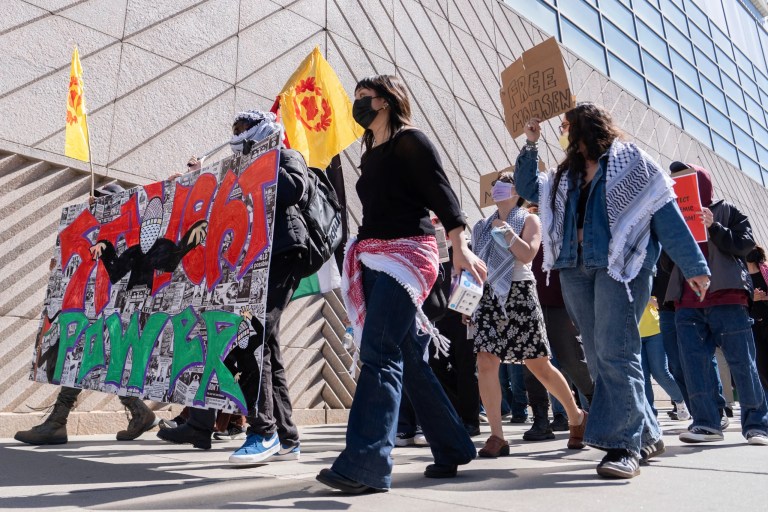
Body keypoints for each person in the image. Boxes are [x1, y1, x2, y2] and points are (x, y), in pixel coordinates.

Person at [517, 104, 710, 479]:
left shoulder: (631, 163)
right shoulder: (565, 175)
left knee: (615, 351)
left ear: (585, 127)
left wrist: (694, 267)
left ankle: (623, 446)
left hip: (620, 266)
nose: (562, 132)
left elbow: (663, 212)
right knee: (599, 352)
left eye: (566, 126)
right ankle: (649, 434)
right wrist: (530, 143)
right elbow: (528, 188)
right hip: (573, 268)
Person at [316, 74, 486, 494]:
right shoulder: (370, 151)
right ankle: (453, 446)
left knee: (379, 349)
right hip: (373, 256)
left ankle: (365, 464)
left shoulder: (412, 140)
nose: (358, 106)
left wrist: (460, 244)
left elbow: (443, 195)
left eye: (364, 98)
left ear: (387, 101)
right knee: (407, 356)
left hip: (408, 256)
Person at [158, 110, 307, 461]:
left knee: (249, 337)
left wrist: (259, 161)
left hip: (282, 255)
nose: (237, 136)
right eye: (234, 130)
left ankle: (263, 431)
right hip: (251, 261)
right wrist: (199, 180)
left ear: (263, 130)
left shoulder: (285, 155)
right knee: (266, 345)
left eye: (244, 129)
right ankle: (286, 438)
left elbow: (293, 188)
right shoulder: (238, 165)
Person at [15, 183, 159, 445]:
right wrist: (60, 267)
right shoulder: (99, 236)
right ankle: (138, 412)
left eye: (102, 203)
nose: (95, 208)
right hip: (94, 309)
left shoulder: (128, 236)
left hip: (114, 311)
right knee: (88, 359)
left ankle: (58, 422)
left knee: (86, 357)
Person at [469, 172, 587, 457]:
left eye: (505, 183)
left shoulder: (529, 219)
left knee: (538, 364)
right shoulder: (480, 226)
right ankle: (497, 436)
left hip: (519, 291)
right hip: (487, 296)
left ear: (517, 190)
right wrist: (468, 303)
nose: (498, 188)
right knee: (486, 361)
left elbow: (528, 255)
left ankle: (576, 415)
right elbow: (473, 265)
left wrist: (507, 232)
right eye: (496, 183)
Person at [664, 162, 768, 446]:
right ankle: (707, 423)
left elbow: (745, 246)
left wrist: (714, 226)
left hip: (728, 297)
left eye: (685, 178)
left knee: (742, 363)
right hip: (687, 301)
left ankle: (757, 424)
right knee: (694, 365)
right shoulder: (672, 215)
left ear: (702, 182)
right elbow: (665, 263)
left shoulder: (728, 210)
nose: (679, 183)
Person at [638, 296, 688, 419]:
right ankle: (650, 415)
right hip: (635, 334)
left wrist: (645, 297)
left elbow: (661, 305)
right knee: (643, 377)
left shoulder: (648, 280)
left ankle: (681, 401)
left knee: (660, 372)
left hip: (655, 331)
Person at [746, 245, 768, 392]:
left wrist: (765, 297)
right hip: (751, 325)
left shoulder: (765, 271)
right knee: (761, 367)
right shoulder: (740, 276)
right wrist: (752, 298)